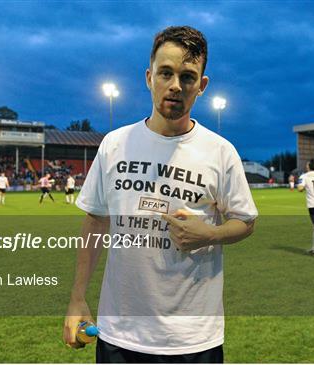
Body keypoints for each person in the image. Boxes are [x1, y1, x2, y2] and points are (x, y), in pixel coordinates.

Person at [63, 26, 257, 363]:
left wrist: (209, 234)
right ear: (149, 76)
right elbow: (95, 221)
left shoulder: (220, 152)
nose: (175, 86)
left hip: (192, 341)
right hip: (119, 336)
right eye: (166, 73)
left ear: (202, 86)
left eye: (188, 76)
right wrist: (77, 298)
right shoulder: (115, 144)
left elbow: (246, 221)